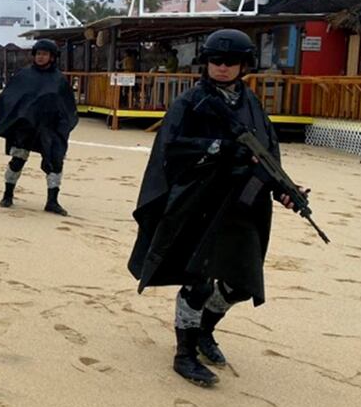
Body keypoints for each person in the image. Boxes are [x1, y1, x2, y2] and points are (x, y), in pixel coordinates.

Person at [127, 29, 306, 387]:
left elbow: (267, 154)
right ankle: (185, 353)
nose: (222, 67)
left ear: (244, 65)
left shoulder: (252, 104)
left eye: (231, 62)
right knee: (197, 282)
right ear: (206, 62)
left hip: (244, 203)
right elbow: (171, 148)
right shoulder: (190, 103)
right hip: (199, 202)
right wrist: (219, 149)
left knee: (241, 283)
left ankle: (205, 330)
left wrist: (284, 191)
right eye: (216, 61)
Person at [0, 39, 78, 216]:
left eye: (44, 54)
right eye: (38, 53)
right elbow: (9, 99)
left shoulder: (59, 80)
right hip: (24, 127)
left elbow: (67, 106)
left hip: (49, 128)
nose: (41, 57)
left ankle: (52, 202)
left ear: (52, 57)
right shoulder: (24, 76)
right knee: (18, 160)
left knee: (55, 161)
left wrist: (63, 126)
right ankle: (7, 195)